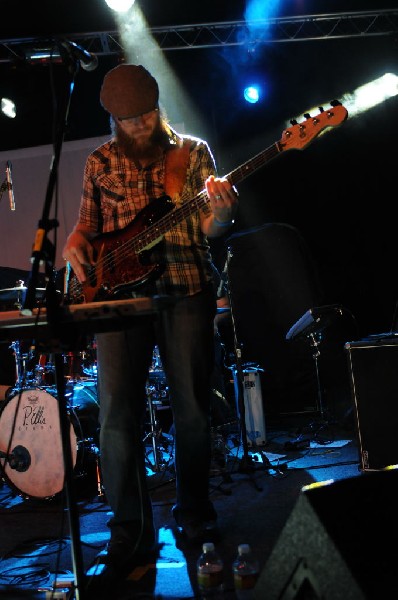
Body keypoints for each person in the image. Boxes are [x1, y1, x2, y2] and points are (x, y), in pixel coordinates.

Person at [62, 63, 239, 581]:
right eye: (127, 121)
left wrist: (223, 212)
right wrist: (75, 243)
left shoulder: (193, 152)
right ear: (113, 120)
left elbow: (212, 226)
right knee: (116, 418)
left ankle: (195, 517)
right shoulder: (99, 161)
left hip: (185, 290)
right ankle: (129, 532)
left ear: (157, 109)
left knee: (192, 412)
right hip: (117, 300)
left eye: (144, 117)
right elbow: (84, 230)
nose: (137, 127)